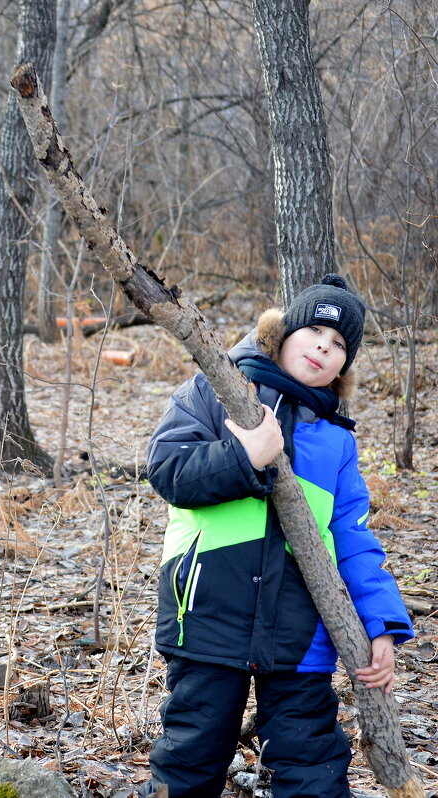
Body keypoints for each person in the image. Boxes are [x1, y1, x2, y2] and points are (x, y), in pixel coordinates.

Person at [143, 274, 413, 797]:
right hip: (205, 615)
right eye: (313, 328)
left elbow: (353, 539)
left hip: (301, 633)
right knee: (191, 756)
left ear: (344, 365)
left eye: (339, 345)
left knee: (313, 763)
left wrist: (381, 624)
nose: (323, 346)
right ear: (282, 333)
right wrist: (245, 455)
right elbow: (168, 470)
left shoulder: (335, 439)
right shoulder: (215, 389)